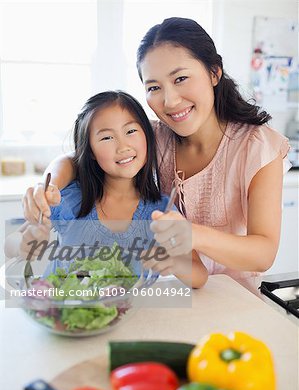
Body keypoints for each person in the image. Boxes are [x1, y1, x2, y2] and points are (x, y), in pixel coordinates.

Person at [22, 17, 290, 280]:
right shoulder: (155, 135)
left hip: (233, 299)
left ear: (214, 72)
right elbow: (78, 157)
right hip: (174, 298)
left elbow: (263, 253)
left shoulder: (258, 146)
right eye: (154, 87)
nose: (170, 101)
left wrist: (193, 234)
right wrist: (47, 189)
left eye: (181, 78)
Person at [5, 90, 207, 288]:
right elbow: (11, 245)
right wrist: (25, 244)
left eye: (130, 131)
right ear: (90, 151)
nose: (122, 146)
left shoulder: (162, 211)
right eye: (107, 138)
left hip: (128, 317)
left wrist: (174, 262)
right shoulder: (70, 199)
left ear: (147, 135)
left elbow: (199, 276)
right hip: (61, 314)